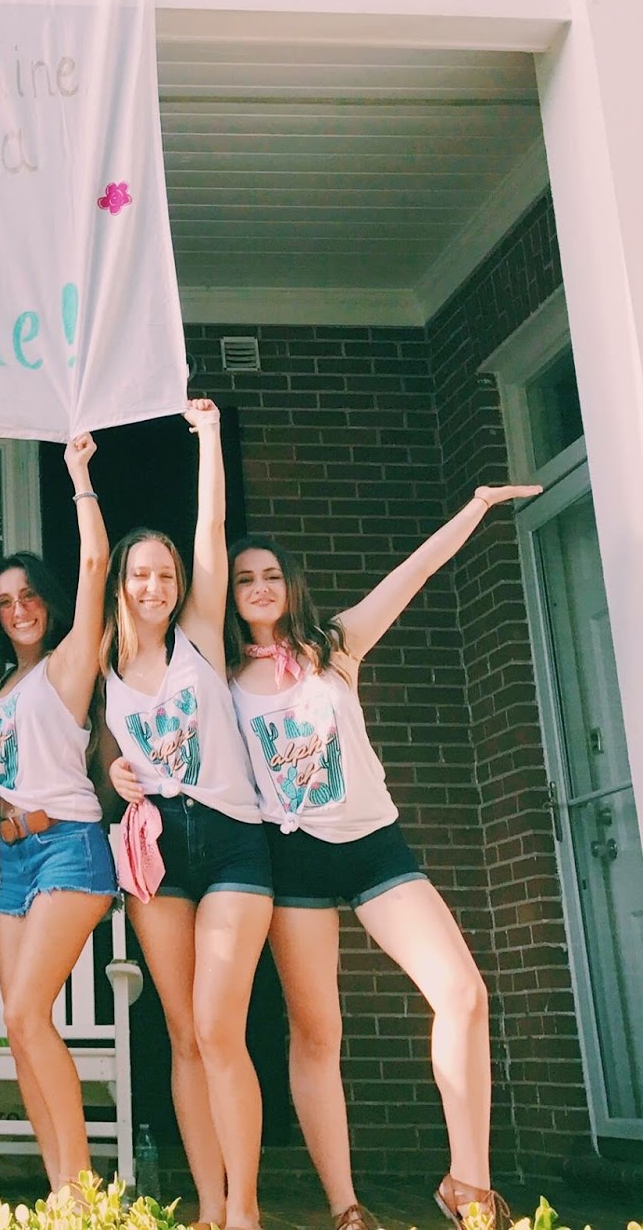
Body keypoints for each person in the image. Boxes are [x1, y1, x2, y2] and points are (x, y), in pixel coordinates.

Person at [227, 484, 540, 1230]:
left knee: (462, 993)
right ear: (229, 595)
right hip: (293, 860)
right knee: (317, 1033)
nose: (260, 587)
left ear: (291, 584)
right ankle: (346, 1206)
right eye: (244, 579)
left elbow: (415, 572)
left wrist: (476, 506)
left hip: (374, 846)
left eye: (272, 575)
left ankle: (469, 1186)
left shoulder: (333, 647)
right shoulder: (221, 678)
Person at [98, 399, 270, 1230]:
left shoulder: (199, 634)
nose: (156, 586)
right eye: (142, 574)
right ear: (120, 583)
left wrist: (207, 440)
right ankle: (208, 1205)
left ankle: (246, 1206)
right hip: (156, 848)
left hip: (232, 842)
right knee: (180, 1029)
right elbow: (92, 755)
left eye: (166, 575)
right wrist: (112, 769)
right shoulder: (102, 661)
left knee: (217, 1026)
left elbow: (213, 527)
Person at [0, 435, 113, 1200]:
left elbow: (95, 566)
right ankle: (64, 1189)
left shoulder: (67, 664)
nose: (18, 609)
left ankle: (79, 1191)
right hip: (15, 861)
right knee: (21, 1028)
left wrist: (78, 475)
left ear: (47, 602)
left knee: (28, 1013)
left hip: (68, 848)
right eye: (4, 602)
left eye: (27, 595)